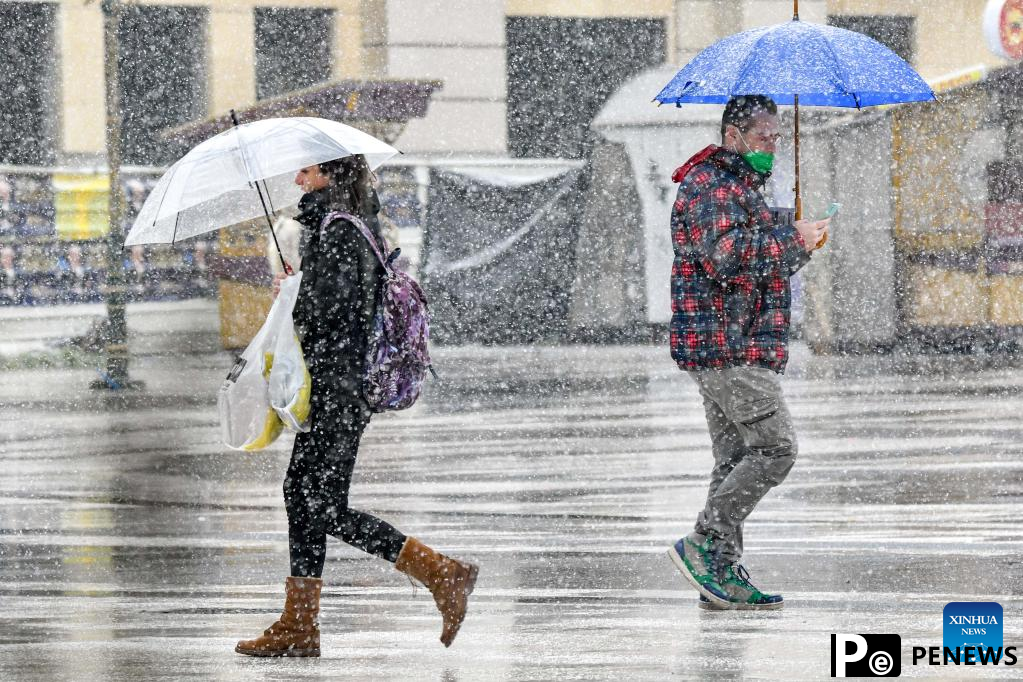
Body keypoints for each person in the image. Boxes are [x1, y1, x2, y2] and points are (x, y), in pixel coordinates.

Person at [235, 155, 478, 658]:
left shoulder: (341, 230)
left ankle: (439, 572)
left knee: (317, 502)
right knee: (303, 494)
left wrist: (293, 295)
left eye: (306, 171)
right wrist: (300, 287)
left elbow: (335, 313)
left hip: (338, 388)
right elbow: (336, 304)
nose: (298, 179)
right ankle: (300, 624)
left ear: (330, 173)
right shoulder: (340, 224)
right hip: (338, 387)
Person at [666, 95, 829, 611]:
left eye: (778, 139)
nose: (773, 148)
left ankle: (719, 573)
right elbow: (729, 259)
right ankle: (704, 543)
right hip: (729, 345)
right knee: (776, 450)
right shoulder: (712, 186)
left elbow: (758, 264)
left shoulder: (738, 186)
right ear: (733, 135)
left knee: (735, 457)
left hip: (732, 342)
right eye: (765, 138)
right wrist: (793, 242)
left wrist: (795, 239)